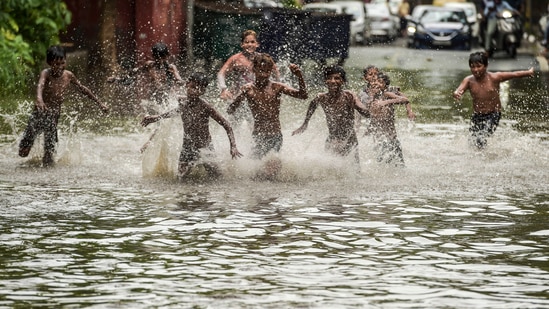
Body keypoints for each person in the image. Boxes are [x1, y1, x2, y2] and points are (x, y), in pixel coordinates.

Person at [18, 45, 109, 166]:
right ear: (49, 63)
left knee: (49, 155)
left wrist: (100, 103)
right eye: (56, 64)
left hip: (53, 118)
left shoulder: (68, 75)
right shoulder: (46, 73)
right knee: (23, 152)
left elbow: (83, 89)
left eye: (63, 63)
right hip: (38, 115)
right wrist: (39, 99)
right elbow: (40, 85)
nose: (60, 67)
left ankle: (47, 180)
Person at [141, 72, 242, 180]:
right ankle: (189, 195)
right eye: (193, 87)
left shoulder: (205, 106)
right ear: (187, 85)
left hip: (205, 147)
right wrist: (156, 117)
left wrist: (233, 146)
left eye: (199, 88)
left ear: (203, 91)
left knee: (217, 178)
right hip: (187, 147)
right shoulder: (182, 102)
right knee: (181, 178)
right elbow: (175, 112)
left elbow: (227, 125)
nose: (195, 90)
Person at [227, 53, 307, 160]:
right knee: (255, 166)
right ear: (254, 69)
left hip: (275, 136)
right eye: (261, 70)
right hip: (258, 136)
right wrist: (238, 96)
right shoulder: (248, 89)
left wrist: (299, 76)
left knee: (271, 165)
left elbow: (303, 95)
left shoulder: (277, 87)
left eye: (267, 71)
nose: (264, 74)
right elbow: (230, 110)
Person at [453, 51, 534, 149]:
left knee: (481, 138)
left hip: (493, 115)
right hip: (477, 115)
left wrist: (528, 72)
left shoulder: (495, 77)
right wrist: (457, 93)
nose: (475, 69)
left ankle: (484, 160)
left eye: (478, 66)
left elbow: (514, 74)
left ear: (486, 66)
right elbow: (459, 89)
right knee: (472, 141)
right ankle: (480, 157)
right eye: (472, 67)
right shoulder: (469, 80)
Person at [292, 65, 369, 165]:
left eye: (337, 78)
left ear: (343, 81)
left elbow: (362, 108)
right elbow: (312, 105)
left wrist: (369, 111)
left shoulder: (349, 95)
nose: (333, 81)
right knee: (329, 172)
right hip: (332, 140)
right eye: (329, 78)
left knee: (355, 171)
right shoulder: (322, 97)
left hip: (349, 140)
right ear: (325, 81)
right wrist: (305, 124)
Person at [108, 42, 183, 110]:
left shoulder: (171, 68)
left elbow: (179, 79)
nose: (160, 61)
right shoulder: (149, 65)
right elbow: (134, 73)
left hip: (167, 99)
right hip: (153, 100)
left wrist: (180, 82)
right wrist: (116, 79)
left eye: (162, 58)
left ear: (167, 56)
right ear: (153, 57)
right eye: (157, 58)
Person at [360, 72, 412, 166]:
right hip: (378, 141)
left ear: (384, 85)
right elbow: (373, 121)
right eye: (374, 81)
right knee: (379, 167)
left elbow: (405, 100)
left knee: (398, 166)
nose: (376, 83)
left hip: (391, 140)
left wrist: (386, 102)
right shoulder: (369, 98)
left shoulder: (386, 94)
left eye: (379, 82)